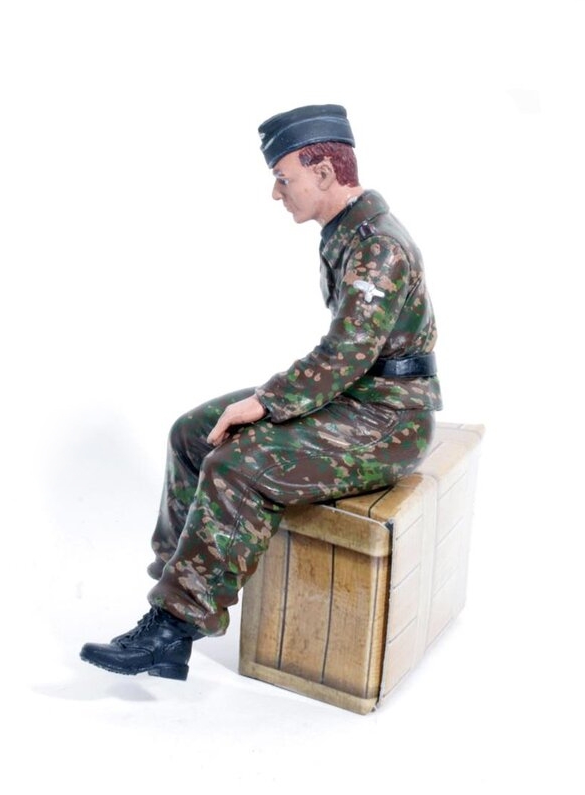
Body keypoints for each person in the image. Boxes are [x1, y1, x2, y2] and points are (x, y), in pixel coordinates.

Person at [80, 104, 442, 680]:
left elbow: (345, 354)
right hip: (356, 399)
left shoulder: (377, 246)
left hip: (389, 420)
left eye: (283, 178)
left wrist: (266, 402)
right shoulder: (348, 234)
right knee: (193, 433)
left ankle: (173, 628)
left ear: (324, 172)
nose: (277, 193)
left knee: (237, 465)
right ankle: (173, 586)